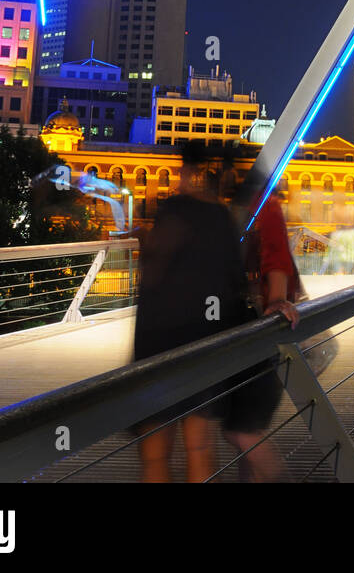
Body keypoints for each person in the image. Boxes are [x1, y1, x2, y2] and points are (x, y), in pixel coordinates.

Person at [132, 142, 247, 483]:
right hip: (204, 344)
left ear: (187, 171)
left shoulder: (173, 210)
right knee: (199, 449)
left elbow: (153, 274)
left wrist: (144, 242)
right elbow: (235, 281)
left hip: (158, 344)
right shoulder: (222, 218)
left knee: (155, 452)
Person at [221, 165, 300, 482]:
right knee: (244, 429)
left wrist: (278, 299)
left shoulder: (262, 204)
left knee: (243, 431)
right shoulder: (242, 207)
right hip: (242, 327)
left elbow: (276, 255)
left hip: (258, 330)